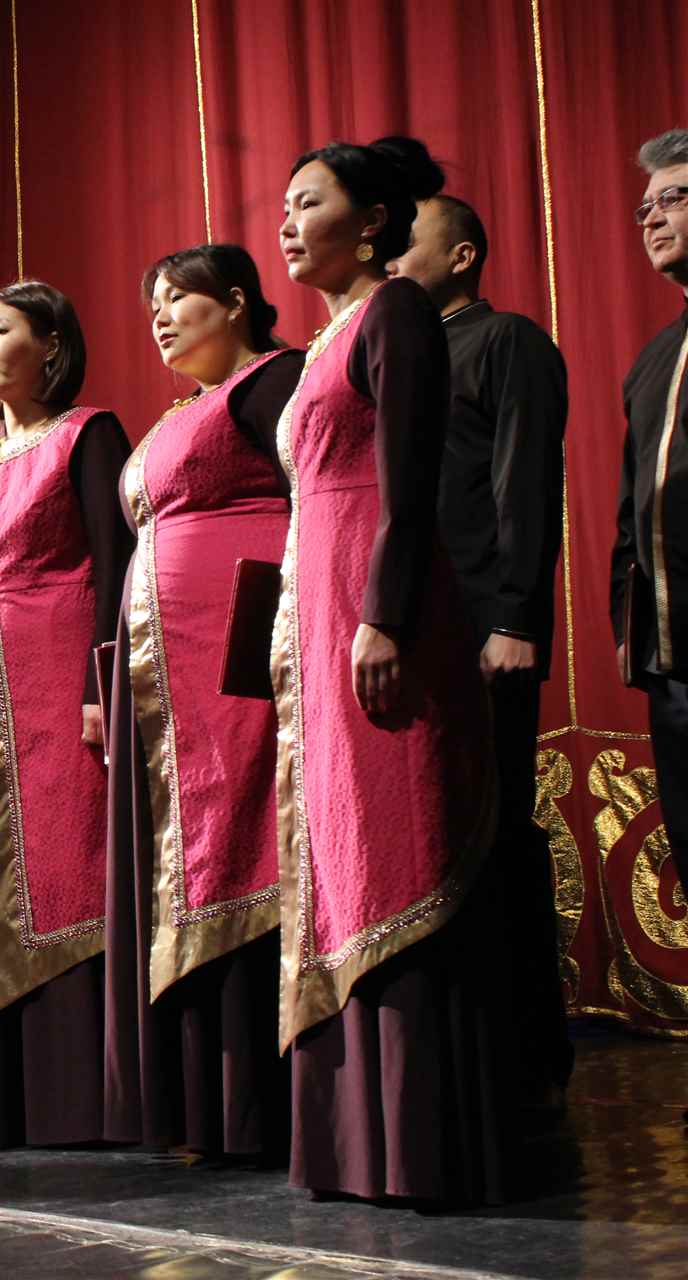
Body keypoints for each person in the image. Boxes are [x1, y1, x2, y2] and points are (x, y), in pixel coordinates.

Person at [273, 136, 514, 1204]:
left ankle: (422, 1141)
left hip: (382, 612)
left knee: (399, 840)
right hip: (325, 611)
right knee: (344, 849)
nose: (286, 224)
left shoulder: (397, 309)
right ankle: (356, 1139)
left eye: (308, 203)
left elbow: (409, 482)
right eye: (283, 206)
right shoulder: (324, 339)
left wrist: (385, 615)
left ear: (371, 222)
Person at [100, 245, 300, 1160]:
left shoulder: (272, 382)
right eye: (153, 303)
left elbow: (314, 497)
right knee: (186, 853)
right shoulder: (179, 412)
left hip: (239, 661)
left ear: (237, 302)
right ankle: (204, 1101)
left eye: (179, 298)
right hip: (167, 678)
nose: (161, 317)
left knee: (245, 837)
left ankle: (265, 1094)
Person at [388, 190, 573, 1103]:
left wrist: (517, 620)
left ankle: (524, 1057)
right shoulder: (399, 357)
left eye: (407, 241)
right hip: (412, 633)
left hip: (484, 630)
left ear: (462, 257)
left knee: (496, 834)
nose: (388, 256)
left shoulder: (506, 342)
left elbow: (524, 487)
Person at [0, 281, 132, 1148]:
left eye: (1, 331)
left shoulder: (88, 433)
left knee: (69, 860)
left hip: (59, 676)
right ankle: (5, 1095)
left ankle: (83, 1093)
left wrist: (100, 683)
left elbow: (114, 565)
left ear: (50, 344)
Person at [613, 128, 688, 891]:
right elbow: (629, 514)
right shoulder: (653, 361)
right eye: (645, 208)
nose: (653, 218)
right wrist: (627, 628)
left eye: (673, 198)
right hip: (672, 665)